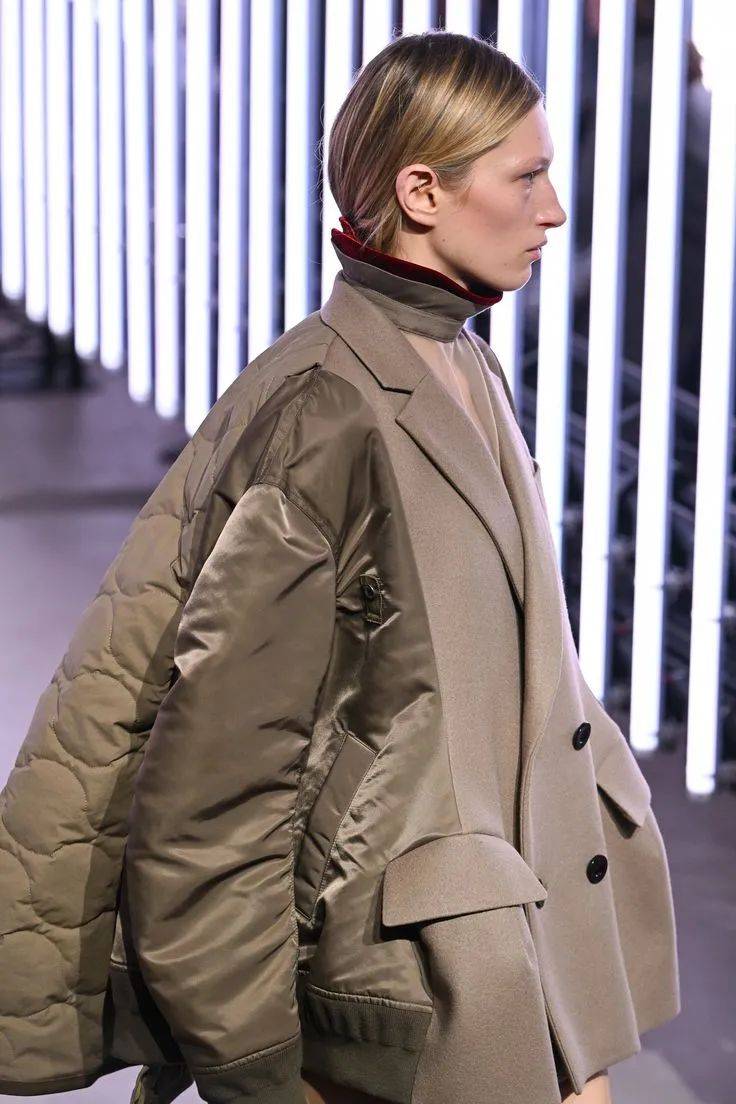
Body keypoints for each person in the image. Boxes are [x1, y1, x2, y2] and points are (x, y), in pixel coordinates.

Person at [0, 31, 679, 1104]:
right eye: (527, 177)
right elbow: (215, 792)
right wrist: (257, 1069)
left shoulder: (460, 361)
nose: (553, 210)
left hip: (512, 973)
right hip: (403, 1017)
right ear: (423, 192)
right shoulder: (327, 415)